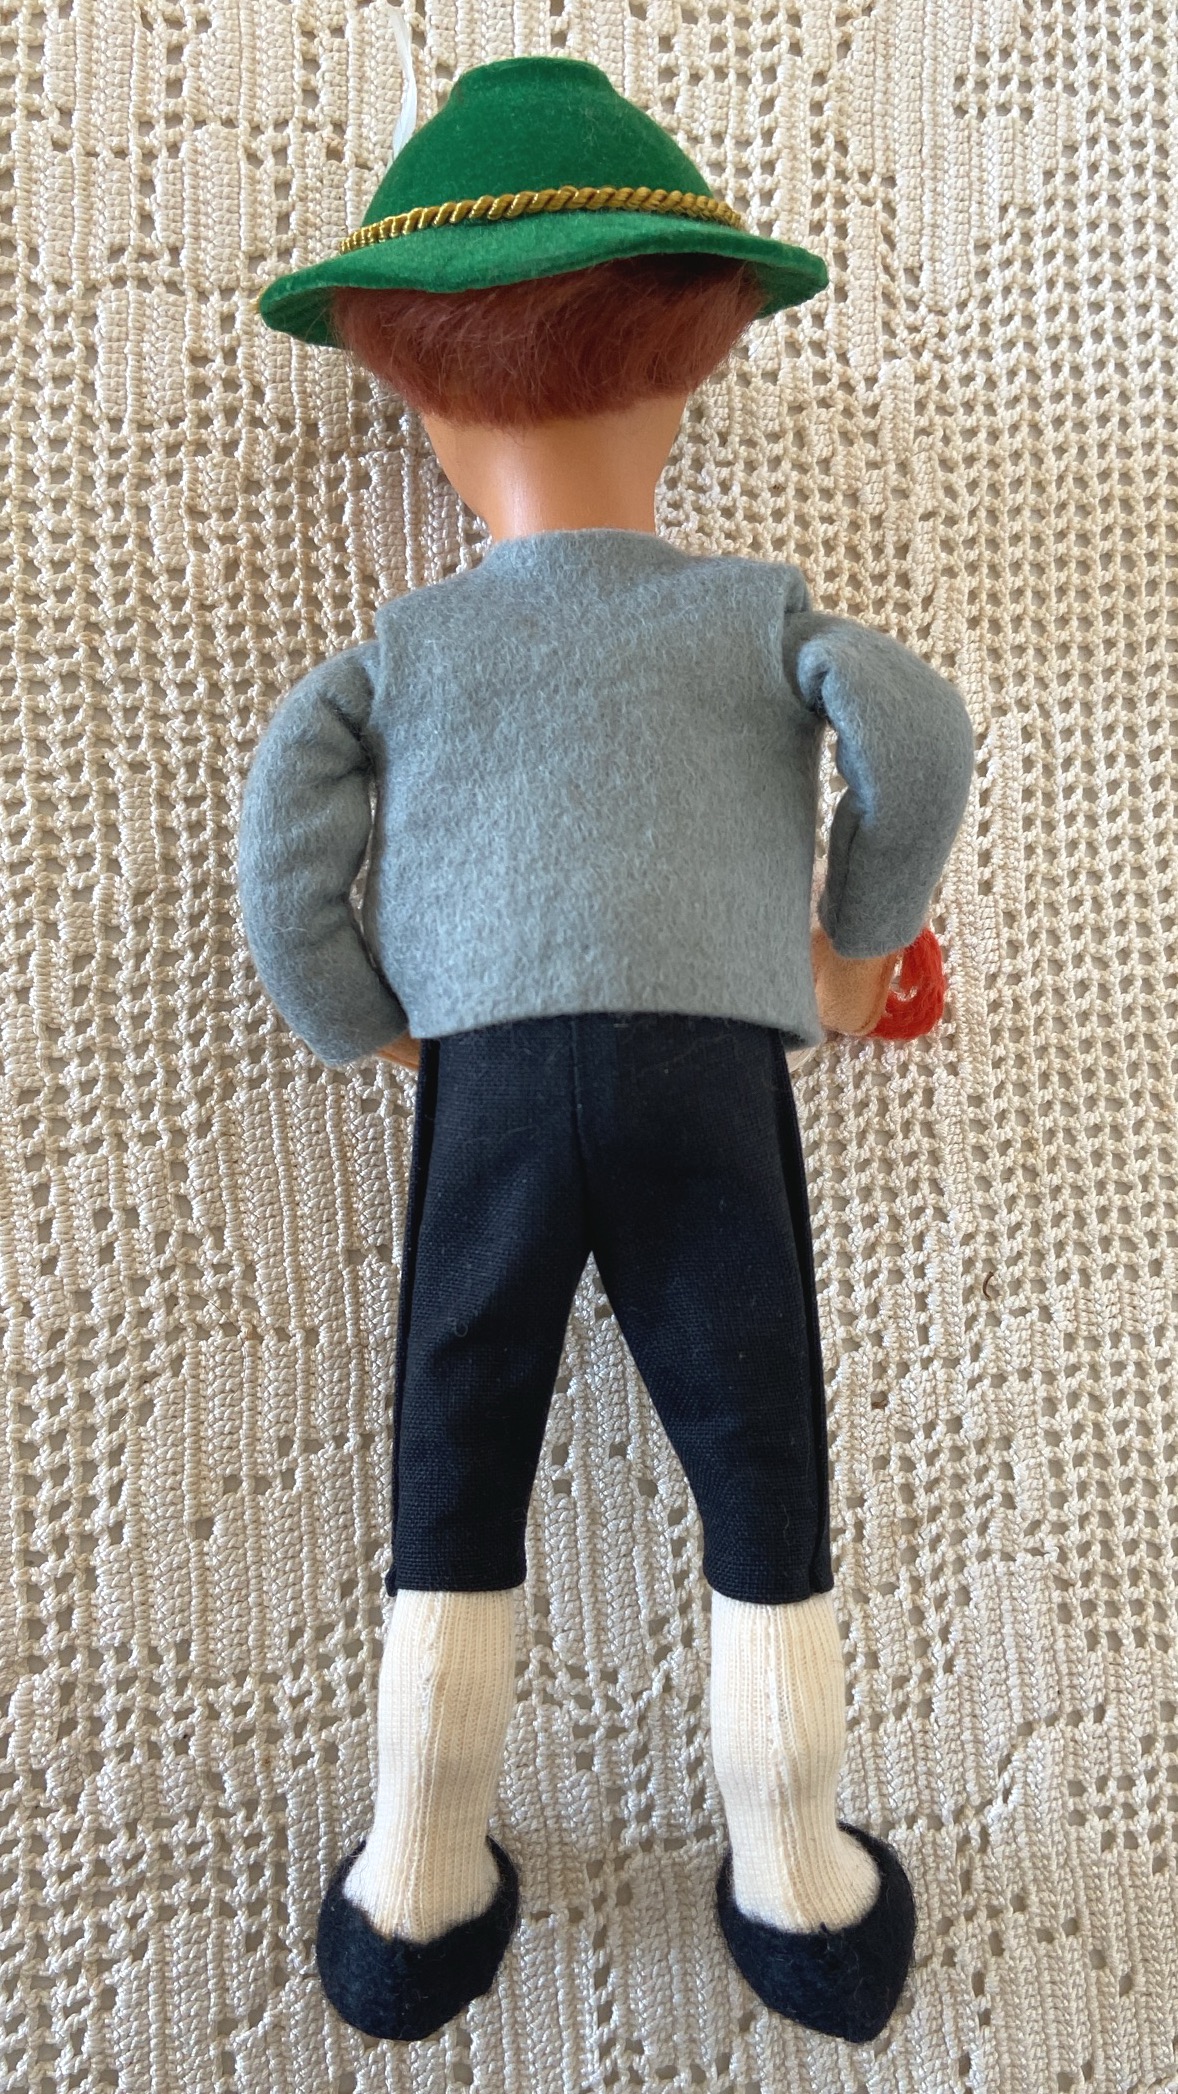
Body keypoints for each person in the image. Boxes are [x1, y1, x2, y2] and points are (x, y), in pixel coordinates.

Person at [239, 53, 974, 2046]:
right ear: (697, 356)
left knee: (455, 1453)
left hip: (485, 1081)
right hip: (705, 1075)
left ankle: (414, 1883)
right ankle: (800, 1884)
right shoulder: (753, 613)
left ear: (417, 394)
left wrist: (369, 1021)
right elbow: (913, 735)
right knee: (759, 1457)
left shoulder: (403, 652)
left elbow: (285, 840)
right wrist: (849, 952)